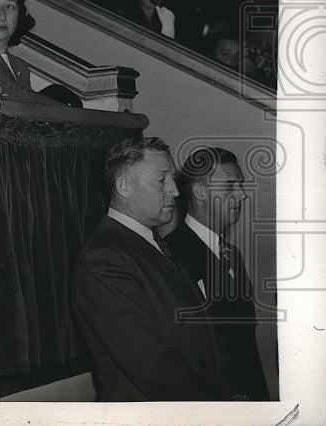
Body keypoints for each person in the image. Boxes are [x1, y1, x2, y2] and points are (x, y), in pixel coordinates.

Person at [71, 136, 243, 401]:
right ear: (124, 187)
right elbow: (153, 366)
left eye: (172, 179)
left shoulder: (150, 242)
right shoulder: (103, 258)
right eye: (162, 180)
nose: (174, 190)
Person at [165, 147, 270, 400]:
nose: (242, 195)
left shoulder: (230, 253)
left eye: (241, 186)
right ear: (200, 192)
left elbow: (245, 345)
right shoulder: (172, 255)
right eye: (230, 186)